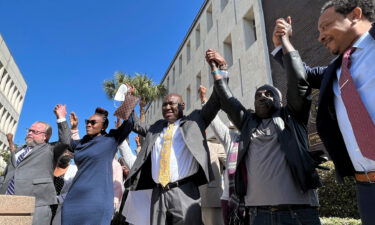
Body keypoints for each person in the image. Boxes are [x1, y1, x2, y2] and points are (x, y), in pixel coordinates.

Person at [272, 1, 375, 223]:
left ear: (355, 15)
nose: (320, 36)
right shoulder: (335, 71)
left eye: (325, 26)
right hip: (367, 188)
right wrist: (284, 43)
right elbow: (303, 75)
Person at [206, 41, 325, 224]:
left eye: (268, 94)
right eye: (258, 95)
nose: (262, 96)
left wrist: (285, 44)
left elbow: (298, 82)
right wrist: (221, 68)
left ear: (279, 100)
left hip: (299, 213)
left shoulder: (293, 117)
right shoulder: (247, 123)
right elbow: (226, 98)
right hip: (258, 215)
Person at [125, 87, 221, 225]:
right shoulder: (156, 128)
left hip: (184, 192)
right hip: (158, 194)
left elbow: (215, 103)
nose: (167, 107)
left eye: (172, 103)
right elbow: (134, 124)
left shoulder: (194, 122)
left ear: (182, 106)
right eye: (165, 104)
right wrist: (128, 98)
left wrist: (220, 74)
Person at [61, 104, 134, 225]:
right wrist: (65, 121)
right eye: (87, 122)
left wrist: (128, 98)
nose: (89, 124)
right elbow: (65, 142)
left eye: (93, 122)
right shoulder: (81, 143)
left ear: (103, 127)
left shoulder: (110, 140)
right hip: (73, 200)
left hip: (97, 201)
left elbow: (129, 123)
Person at [0, 104, 71, 225]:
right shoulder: (18, 151)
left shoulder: (50, 150)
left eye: (35, 131)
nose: (29, 133)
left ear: (45, 136)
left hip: (35, 205)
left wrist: (60, 117)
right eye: (29, 130)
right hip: (6, 202)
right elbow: (8, 173)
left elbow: (65, 141)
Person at [199, 85, 241, 225]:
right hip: (195, 200)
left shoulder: (224, 142)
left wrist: (204, 100)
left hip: (215, 199)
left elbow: (216, 124)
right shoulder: (187, 147)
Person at [51, 147, 77, 225]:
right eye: (64, 151)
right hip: (45, 206)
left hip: (62, 207)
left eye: (68, 152)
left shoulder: (75, 170)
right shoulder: (50, 168)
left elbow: (75, 191)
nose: (66, 153)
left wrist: (58, 199)